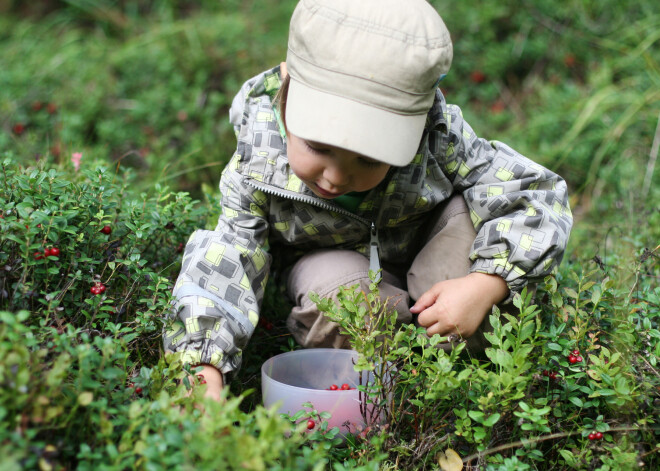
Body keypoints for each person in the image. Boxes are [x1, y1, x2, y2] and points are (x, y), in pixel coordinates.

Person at [163, 0, 573, 401]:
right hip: (336, 271)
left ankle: (453, 371)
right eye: (319, 147)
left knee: (475, 221)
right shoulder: (258, 162)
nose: (336, 176)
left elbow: (532, 193)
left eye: (369, 158)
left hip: (435, 265)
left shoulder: (437, 136)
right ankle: (397, 383)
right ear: (285, 97)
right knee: (339, 296)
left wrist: (485, 284)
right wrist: (203, 369)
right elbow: (228, 256)